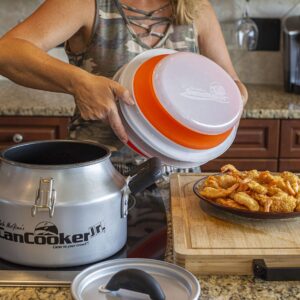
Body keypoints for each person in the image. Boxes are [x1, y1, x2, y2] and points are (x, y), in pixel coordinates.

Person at [0, 0, 248, 171]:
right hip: (99, 174)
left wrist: (232, 99)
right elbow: (7, 52)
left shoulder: (196, 8)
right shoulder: (86, 4)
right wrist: (78, 82)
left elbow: (231, 84)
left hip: (179, 179)